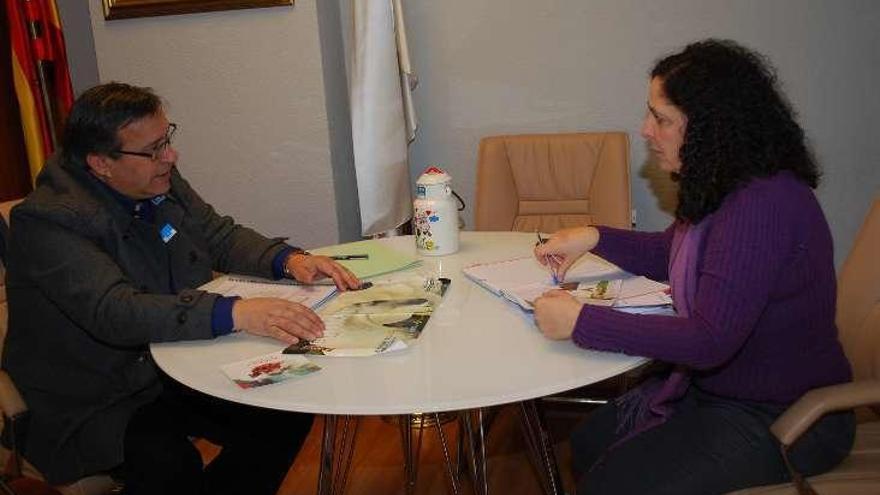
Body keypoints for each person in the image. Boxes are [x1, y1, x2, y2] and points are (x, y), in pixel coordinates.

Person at [2, 82, 362, 495]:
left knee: (285, 406)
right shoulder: (49, 222)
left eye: (167, 139)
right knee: (170, 464)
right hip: (95, 397)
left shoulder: (153, 178)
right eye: (153, 149)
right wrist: (235, 312)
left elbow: (217, 234)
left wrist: (289, 261)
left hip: (168, 366)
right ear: (101, 163)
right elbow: (115, 311)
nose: (169, 156)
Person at [533, 39, 855, 495]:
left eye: (662, 119)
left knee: (612, 484)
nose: (646, 130)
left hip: (790, 414)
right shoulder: (725, 184)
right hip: (722, 391)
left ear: (709, 128)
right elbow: (674, 255)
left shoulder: (762, 204)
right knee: (588, 443)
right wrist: (595, 236)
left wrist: (583, 321)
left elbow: (709, 341)